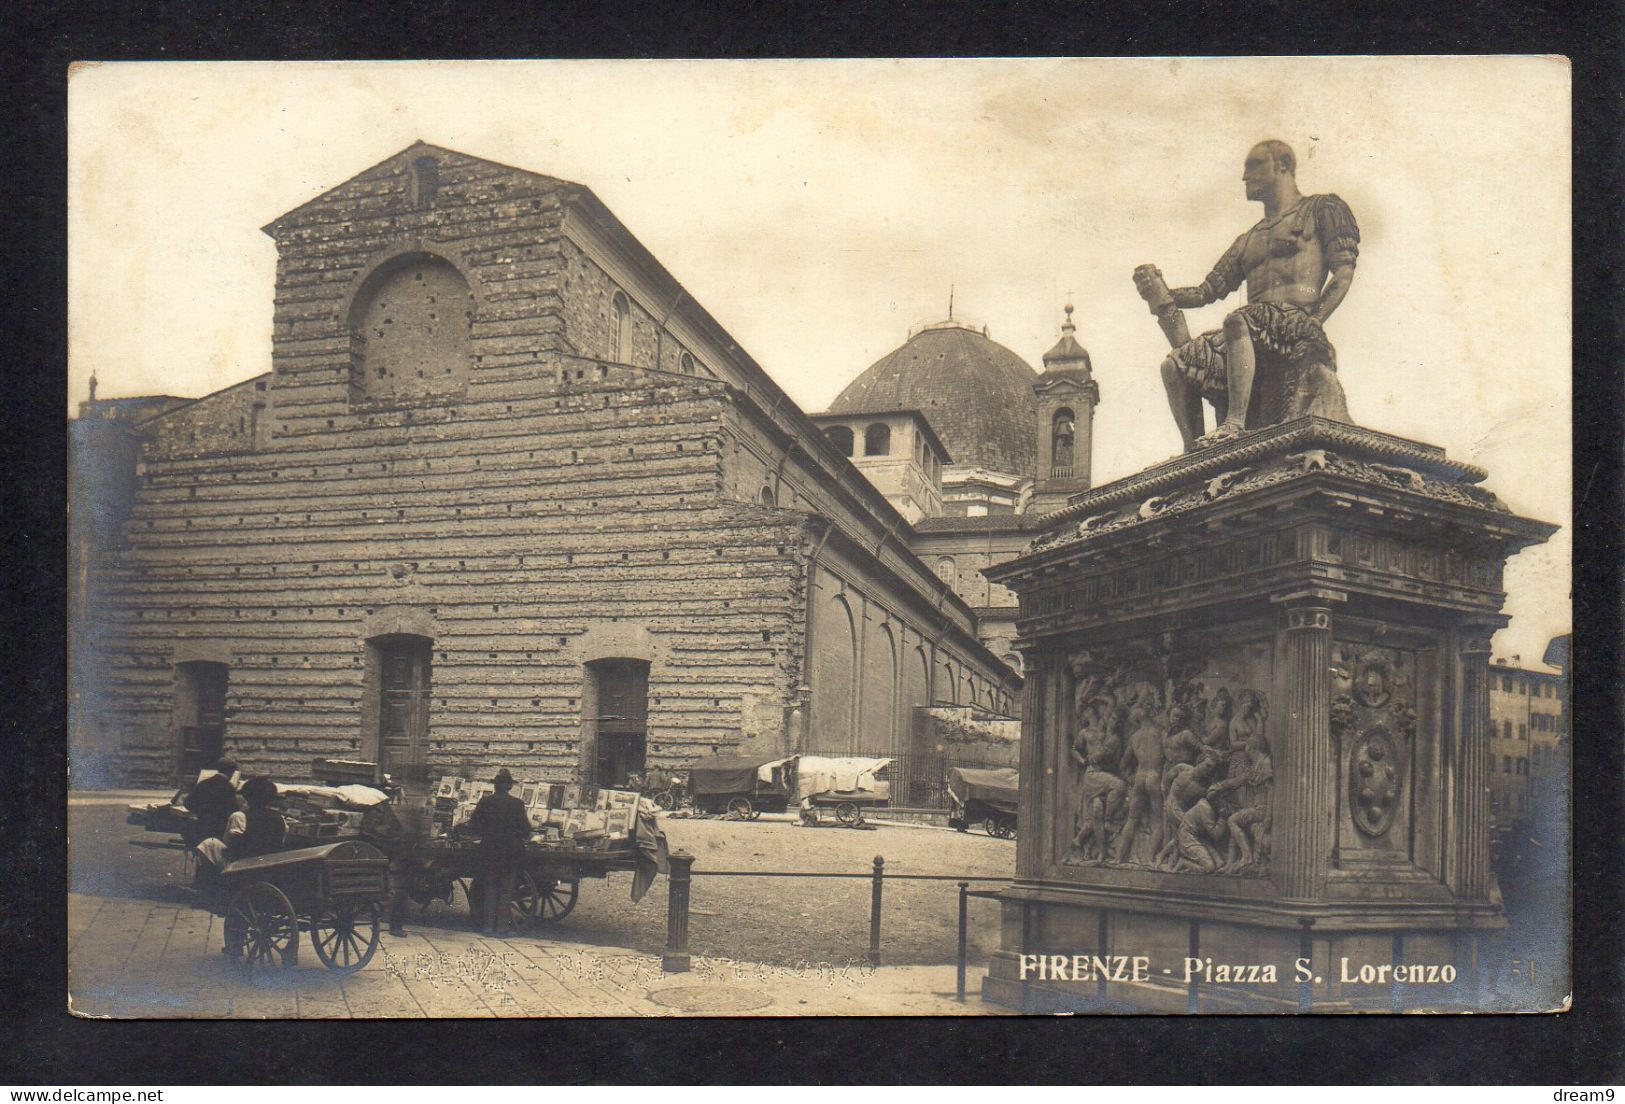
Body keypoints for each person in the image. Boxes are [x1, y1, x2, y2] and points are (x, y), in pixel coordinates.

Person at [1135, 140, 1359, 451]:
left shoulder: (1321, 210)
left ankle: (1234, 425)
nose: (1244, 177)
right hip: (1252, 334)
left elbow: (1344, 273)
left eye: (1253, 165)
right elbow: (1205, 292)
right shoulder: (1248, 240)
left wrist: (1315, 321)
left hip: (1297, 322)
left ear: (1283, 164)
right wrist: (1160, 293)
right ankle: (1193, 450)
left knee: (1238, 319)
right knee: (1175, 363)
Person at [468, 769, 531, 936]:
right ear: (509, 786)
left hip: (489, 851)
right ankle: (501, 927)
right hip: (509, 853)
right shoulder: (517, 804)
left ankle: (488, 927)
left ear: (495, 786)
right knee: (505, 890)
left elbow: (474, 826)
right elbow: (526, 830)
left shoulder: (485, 802)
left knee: (490, 889)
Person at [183, 757, 240, 851]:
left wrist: (202, 811)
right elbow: (233, 810)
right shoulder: (229, 787)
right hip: (219, 828)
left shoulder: (204, 783)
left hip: (201, 826)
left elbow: (188, 803)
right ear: (231, 772)